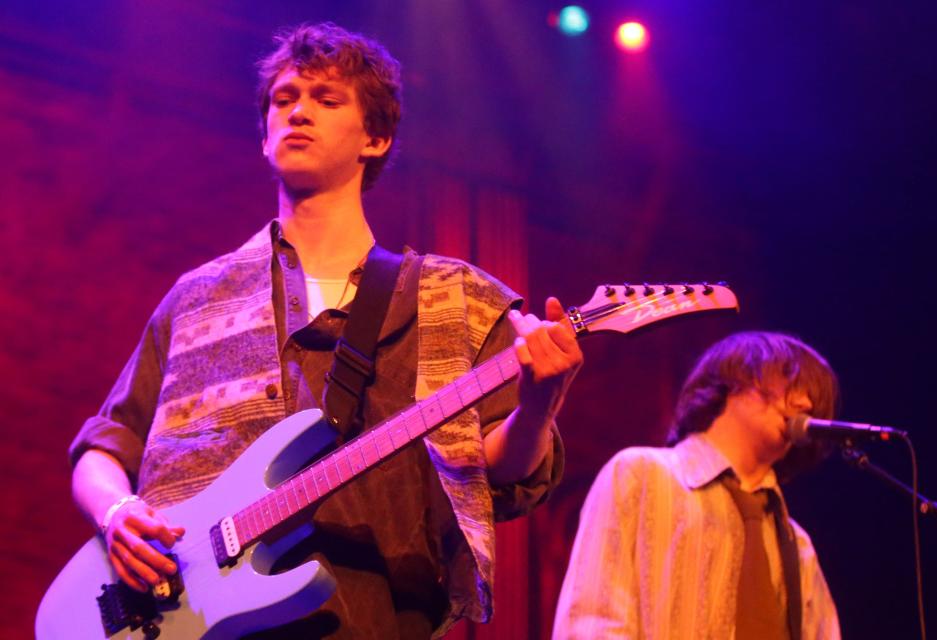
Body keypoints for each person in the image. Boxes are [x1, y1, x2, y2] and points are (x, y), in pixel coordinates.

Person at [69, 22, 582, 638]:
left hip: (376, 611)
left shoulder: (455, 299)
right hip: (191, 617)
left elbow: (498, 465)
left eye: (326, 99)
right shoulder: (197, 298)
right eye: (284, 100)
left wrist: (539, 405)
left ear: (377, 136)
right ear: (263, 137)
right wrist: (117, 509)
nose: (298, 112)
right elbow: (105, 446)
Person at [552, 331, 841, 639]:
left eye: (813, 397)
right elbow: (593, 622)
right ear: (734, 379)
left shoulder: (797, 545)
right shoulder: (641, 475)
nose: (805, 402)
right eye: (792, 384)